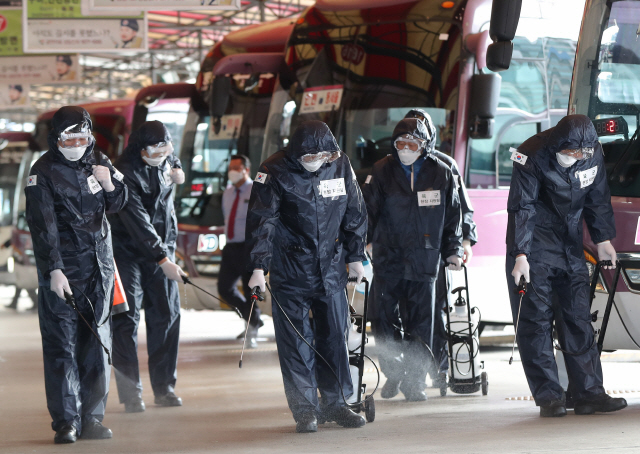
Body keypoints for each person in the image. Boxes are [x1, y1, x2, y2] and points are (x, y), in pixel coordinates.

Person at [246, 120, 368, 433]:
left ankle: (337, 403)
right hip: (290, 270)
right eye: (308, 157)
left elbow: (354, 211)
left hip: (330, 268)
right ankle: (305, 410)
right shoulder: (273, 171)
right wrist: (259, 267)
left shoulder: (339, 165)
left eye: (321, 157)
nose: (315, 161)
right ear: (295, 153)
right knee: (296, 342)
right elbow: (263, 222)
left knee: (334, 337)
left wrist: (356, 257)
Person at [506, 114, 627, 417]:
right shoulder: (531, 154)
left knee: (578, 318)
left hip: (569, 243)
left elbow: (598, 198)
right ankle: (549, 396)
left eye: (579, 154)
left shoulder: (592, 154)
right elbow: (523, 206)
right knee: (536, 321)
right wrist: (520, 254)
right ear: (558, 144)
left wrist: (602, 240)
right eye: (569, 152)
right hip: (534, 247)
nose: (574, 158)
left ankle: (589, 394)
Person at [25, 106, 128, 444]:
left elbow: (117, 203)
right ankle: (66, 421)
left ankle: (92, 419)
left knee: (98, 346)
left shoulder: (97, 160)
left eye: (83, 137)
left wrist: (109, 182)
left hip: (99, 270)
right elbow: (44, 228)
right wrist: (54, 269)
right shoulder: (42, 173)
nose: (77, 144)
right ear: (56, 139)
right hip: (64, 275)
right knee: (62, 347)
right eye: (69, 138)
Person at [363, 118, 463, 402]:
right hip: (388, 257)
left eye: (412, 144)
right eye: (400, 144)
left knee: (421, 324)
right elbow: (367, 210)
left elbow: (453, 218)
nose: (406, 149)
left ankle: (414, 381)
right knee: (382, 320)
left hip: (425, 258)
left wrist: (454, 249)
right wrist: (363, 243)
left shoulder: (441, 173)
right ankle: (393, 371)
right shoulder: (382, 171)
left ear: (424, 145)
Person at [108, 120, 186, 414]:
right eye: (156, 149)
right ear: (140, 149)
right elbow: (138, 222)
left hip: (163, 249)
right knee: (126, 320)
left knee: (166, 315)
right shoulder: (124, 173)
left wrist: (179, 174)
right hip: (128, 253)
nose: (163, 153)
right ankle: (131, 394)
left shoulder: (166, 159)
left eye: (167, 147)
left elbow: (173, 164)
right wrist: (162, 259)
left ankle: (164, 388)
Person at [404, 108, 477, 386]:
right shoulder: (391, 166)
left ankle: (440, 367)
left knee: (436, 311)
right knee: (405, 313)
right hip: (402, 254)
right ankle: (406, 372)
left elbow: (462, 209)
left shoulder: (445, 165)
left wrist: (464, 242)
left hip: (435, 251)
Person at [217, 154, 262, 348]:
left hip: (249, 247)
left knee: (250, 288)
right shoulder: (227, 192)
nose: (232, 172)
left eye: (237, 168)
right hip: (231, 247)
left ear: (246, 170)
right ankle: (253, 318)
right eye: (230, 168)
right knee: (225, 288)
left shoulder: (255, 190)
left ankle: (252, 328)